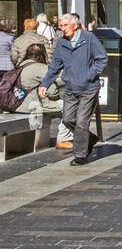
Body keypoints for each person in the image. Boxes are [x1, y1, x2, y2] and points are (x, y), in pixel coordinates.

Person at [37, 14, 108, 164]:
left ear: (75, 25)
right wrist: (45, 84)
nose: (62, 29)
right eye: (60, 26)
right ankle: (89, 138)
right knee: (68, 119)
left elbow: (102, 58)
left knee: (82, 122)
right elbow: (54, 66)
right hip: (70, 88)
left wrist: (89, 74)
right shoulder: (62, 43)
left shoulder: (88, 38)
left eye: (65, 25)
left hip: (88, 88)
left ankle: (80, 155)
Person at [16, 42, 63, 138]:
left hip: (15, 105)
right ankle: (64, 138)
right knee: (69, 106)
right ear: (43, 54)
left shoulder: (19, 66)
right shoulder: (41, 68)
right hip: (31, 106)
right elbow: (53, 92)